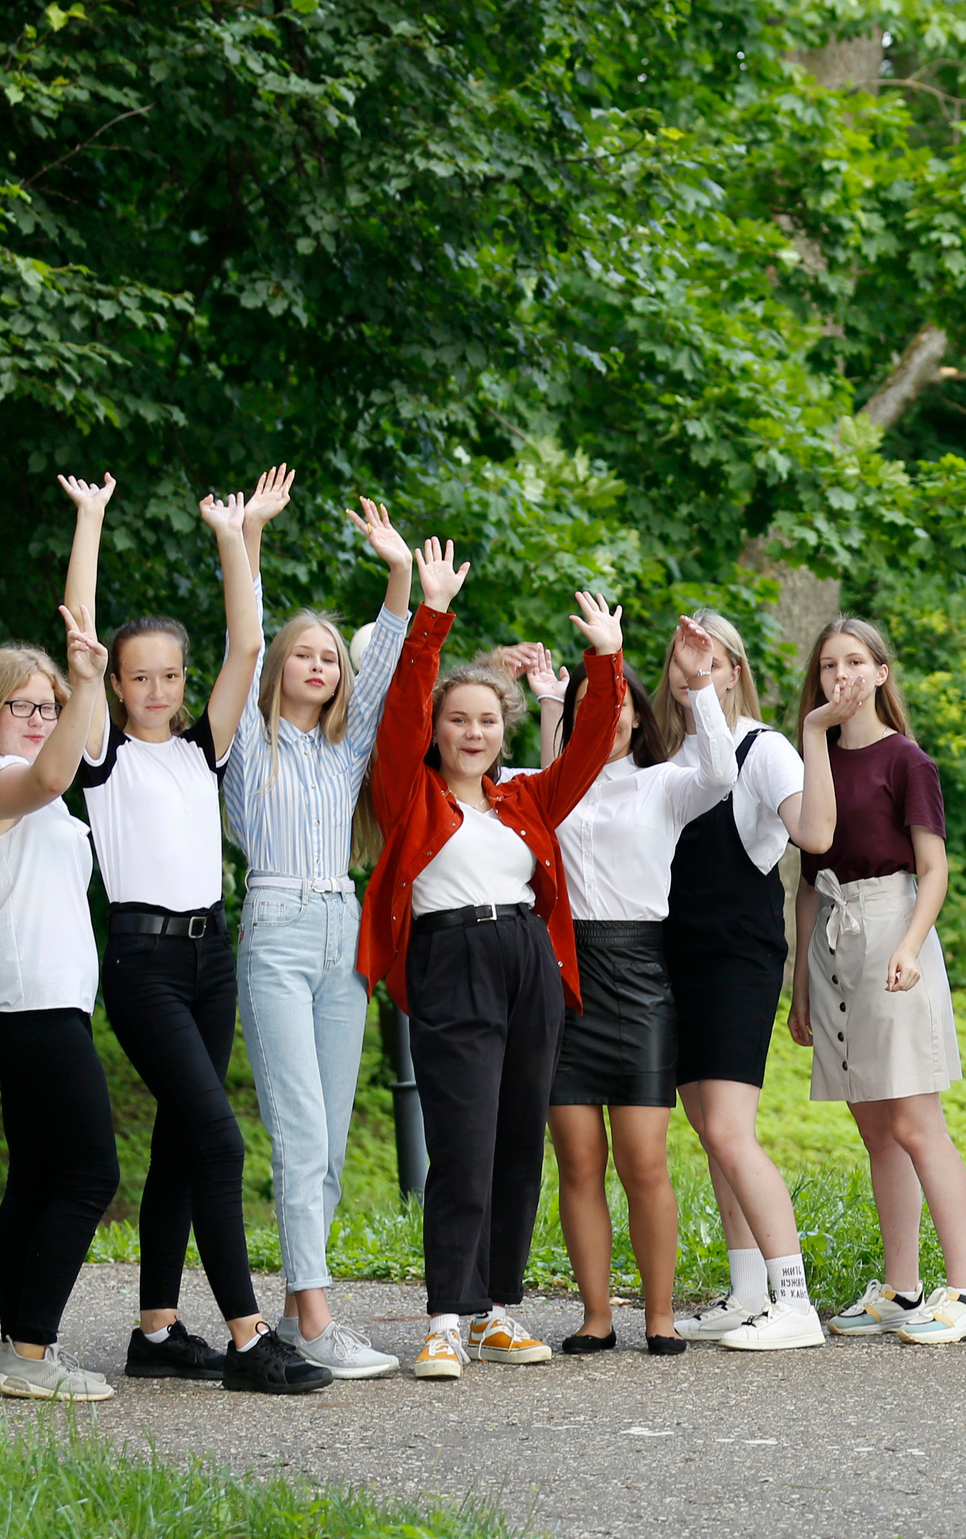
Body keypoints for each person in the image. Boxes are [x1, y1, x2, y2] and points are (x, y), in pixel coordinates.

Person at [64, 468, 328, 1394]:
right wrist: (93, 518)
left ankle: (157, 1329)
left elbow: (249, 641)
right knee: (220, 1140)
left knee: (184, 1139)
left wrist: (233, 536)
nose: (157, 688)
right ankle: (251, 1340)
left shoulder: (198, 748)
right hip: (142, 962)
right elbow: (83, 639)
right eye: (142, 676)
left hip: (211, 955)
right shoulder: (98, 754)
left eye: (169, 675)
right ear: (119, 683)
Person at [359, 536, 624, 1380]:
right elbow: (400, 708)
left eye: (485, 720)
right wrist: (430, 616)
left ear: (502, 729)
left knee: (517, 1142)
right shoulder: (410, 794)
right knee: (464, 1142)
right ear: (437, 732)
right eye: (457, 720)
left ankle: (492, 1310)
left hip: (526, 962)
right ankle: (443, 1317)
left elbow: (585, 749)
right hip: (451, 959)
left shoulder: (525, 796)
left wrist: (606, 661)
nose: (472, 732)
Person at [224, 494, 415, 1379]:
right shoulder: (244, 745)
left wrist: (398, 570)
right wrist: (249, 536)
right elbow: (245, 637)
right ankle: (314, 1317)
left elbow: (386, 667)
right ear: (278, 669)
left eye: (330, 657)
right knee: (300, 1132)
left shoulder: (345, 750)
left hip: (342, 932)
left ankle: (312, 1314)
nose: (320, 664)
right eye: (304, 653)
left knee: (331, 1140)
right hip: (274, 927)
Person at [790, 617, 966, 1344]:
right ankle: (903, 1289)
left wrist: (911, 946)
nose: (840, 675)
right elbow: (809, 878)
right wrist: (800, 981)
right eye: (827, 665)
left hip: (891, 931)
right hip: (832, 941)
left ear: (882, 672)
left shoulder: (906, 760)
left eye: (855, 661)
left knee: (915, 1123)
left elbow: (934, 868)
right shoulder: (811, 755)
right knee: (875, 1127)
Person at [0, 589, 118, 1399]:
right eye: (26, 706)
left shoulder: (32, 789)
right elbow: (51, 771)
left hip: (36, 1006)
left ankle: (20, 1345)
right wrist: (86, 681)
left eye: (51, 705)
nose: (43, 717)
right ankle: (32, 1352)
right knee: (89, 1174)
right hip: (29, 1008)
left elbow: (64, 765)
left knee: (39, 1178)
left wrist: (79, 691)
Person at [544, 620, 743, 1356]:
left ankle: (658, 1315)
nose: (612, 709)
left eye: (621, 697)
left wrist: (697, 687)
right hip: (565, 978)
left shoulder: (664, 784)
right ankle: (597, 1316)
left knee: (644, 1161)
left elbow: (720, 774)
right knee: (578, 1161)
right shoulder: (547, 790)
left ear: (636, 712)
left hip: (638, 976)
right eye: (595, 697)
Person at [632, 614, 820, 1351]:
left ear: (734, 670)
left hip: (736, 954)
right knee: (709, 1132)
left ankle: (793, 1299)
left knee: (733, 1131)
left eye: (709, 661)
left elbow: (809, 830)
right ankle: (747, 1292)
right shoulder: (662, 757)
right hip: (671, 955)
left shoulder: (763, 749)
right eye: (681, 661)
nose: (692, 673)